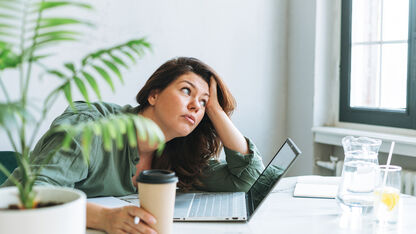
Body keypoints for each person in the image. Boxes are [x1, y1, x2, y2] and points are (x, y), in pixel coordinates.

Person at [2, 57, 264, 234]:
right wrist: (104, 219)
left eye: (204, 102)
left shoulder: (178, 155)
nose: (196, 105)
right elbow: (30, 195)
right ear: (154, 94)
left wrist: (217, 112)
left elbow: (245, 179)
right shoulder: (90, 129)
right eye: (187, 91)